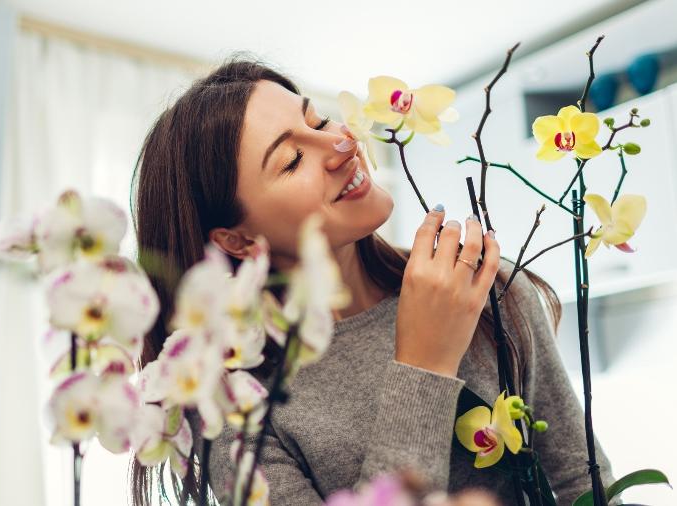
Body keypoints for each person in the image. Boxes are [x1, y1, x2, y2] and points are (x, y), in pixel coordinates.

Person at [129, 56, 614, 506]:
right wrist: (425, 363)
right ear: (236, 240)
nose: (340, 145)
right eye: (292, 160)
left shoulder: (479, 287)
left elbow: (583, 486)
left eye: (318, 121)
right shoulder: (236, 407)